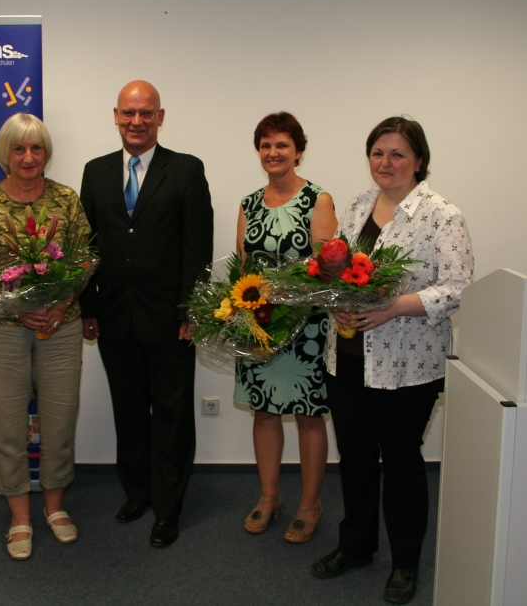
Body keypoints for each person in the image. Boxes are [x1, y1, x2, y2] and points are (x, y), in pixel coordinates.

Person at [309, 117, 473, 604]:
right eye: (378, 153)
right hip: (348, 357)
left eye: (398, 154)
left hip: (408, 365)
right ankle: (355, 547)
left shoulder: (441, 215)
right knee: (355, 459)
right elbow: (335, 271)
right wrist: (332, 298)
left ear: (418, 161)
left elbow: (458, 287)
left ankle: (405, 563)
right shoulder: (359, 206)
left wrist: (396, 307)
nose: (386, 163)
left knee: (401, 463)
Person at [79, 80, 214, 548]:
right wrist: (88, 308)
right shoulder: (95, 173)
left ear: (160, 117)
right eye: (128, 113)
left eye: (146, 113)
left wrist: (193, 310)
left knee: (173, 415)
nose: (137, 122)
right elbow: (87, 248)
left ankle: (168, 506)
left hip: (171, 319)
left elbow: (198, 247)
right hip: (115, 317)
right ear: (115, 116)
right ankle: (137, 492)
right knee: (130, 413)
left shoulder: (186, 170)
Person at [0, 113, 88, 561]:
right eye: (19, 149)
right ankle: (19, 516)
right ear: (5, 154)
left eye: (36, 148)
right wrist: (19, 307)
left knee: (59, 420)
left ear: (46, 152)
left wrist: (57, 304)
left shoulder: (67, 201)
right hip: (2, 333)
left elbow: (85, 261)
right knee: (8, 424)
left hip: (60, 325)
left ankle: (55, 508)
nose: (29, 157)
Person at [234, 112, 336, 543]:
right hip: (259, 326)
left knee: (309, 417)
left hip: (305, 328)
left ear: (298, 151)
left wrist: (285, 302)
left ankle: (309, 505)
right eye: (266, 145)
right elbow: (241, 266)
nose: (273, 153)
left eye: (282, 145)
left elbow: (326, 269)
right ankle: (269, 497)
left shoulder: (319, 199)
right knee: (264, 412)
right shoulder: (248, 204)